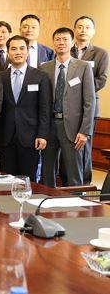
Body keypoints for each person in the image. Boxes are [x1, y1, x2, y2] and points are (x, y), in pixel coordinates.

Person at [41, 28, 95, 187]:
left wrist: (85, 131)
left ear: (72, 43)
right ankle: (47, 202)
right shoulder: (44, 67)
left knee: (74, 172)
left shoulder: (83, 67)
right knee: (47, 170)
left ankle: (77, 206)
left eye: (65, 39)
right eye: (57, 39)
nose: (61, 43)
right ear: (53, 42)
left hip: (72, 127)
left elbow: (89, 101)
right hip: (49, 125)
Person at [0, 35, 52, 179]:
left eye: (22, 48)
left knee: (28, 179)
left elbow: (45, 109)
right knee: (6, 178)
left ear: (27, 51)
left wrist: (42, 134)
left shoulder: (40, 76)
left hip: (30, 136)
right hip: (5, 137)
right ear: (8, 52)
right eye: (13, 49)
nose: (18, 52)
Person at [72, 15, 108, 184]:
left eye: (87, 27)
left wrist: (77, 90)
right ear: (74, 30)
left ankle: (84, 185)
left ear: (92, 31)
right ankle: (68, 183)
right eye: (80, 26)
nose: (83, 30)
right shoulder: (66, 50)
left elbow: (101, 80)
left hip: (89, 106)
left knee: (84, 148)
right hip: (67, 108)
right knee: (69, 147)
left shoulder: (100, 53)